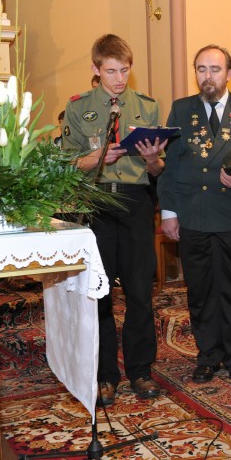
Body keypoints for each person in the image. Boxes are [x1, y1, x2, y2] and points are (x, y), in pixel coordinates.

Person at [62, 33, 165, 405]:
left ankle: (140, 371)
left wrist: (154, 159)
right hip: (98, 204)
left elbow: (157, 169)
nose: (119, 78)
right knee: (100, 294)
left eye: (124, 70)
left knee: (140, 292)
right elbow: (64, 165)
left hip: (136, 203)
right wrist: (93, 160)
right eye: (111, 71)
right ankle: (106, 375)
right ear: (96, 69)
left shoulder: (147, 106)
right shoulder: (78, 107)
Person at [158, 44, 231, 384]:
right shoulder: (181, 109)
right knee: (201, 290)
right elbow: (170, 165)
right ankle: (207, 355)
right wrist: (169, 212)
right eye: (201, 69)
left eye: (215, 69)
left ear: (229, 73)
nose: (208, 76)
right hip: (194, 215)